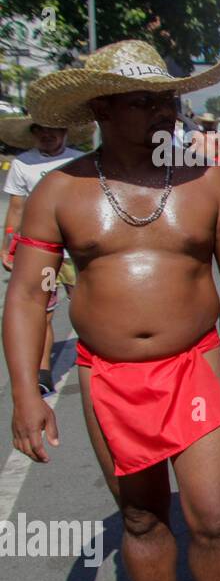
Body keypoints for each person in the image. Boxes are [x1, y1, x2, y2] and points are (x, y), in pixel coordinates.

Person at [7, 40, 220, 581]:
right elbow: (28, 295)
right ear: (100, 107)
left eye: (167, 99)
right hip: (108, 378)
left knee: (213, 516)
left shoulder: (207, 181)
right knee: (141, 517)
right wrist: (25, 393)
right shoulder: (58, 190)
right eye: (142, 101)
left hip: (196, 367)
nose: (162, 112)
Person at [1, 115, 91, 395]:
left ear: (65, 131)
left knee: (86, 309)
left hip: (76, 253)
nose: (48, 136)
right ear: (33, 133)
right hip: (41, 254)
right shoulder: (23, 164)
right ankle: (43, 372)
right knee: (41, 311)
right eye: (42, 131)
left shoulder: (82, 161)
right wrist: (7, 245)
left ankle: (97, 362)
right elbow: (16, 208)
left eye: (54, 130)